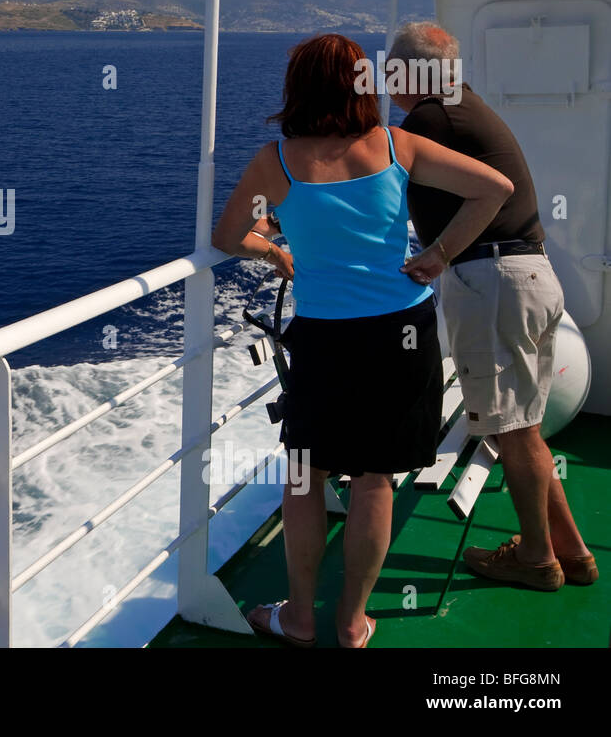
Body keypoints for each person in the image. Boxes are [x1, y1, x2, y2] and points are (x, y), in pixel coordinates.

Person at [212, 33, 512, 648]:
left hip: (325, 339)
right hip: (402, 330)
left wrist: (276, 249)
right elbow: (494, 189)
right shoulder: (398, 145)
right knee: (375, 477)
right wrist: (438, 254)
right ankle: (352, 623)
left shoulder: (278, 161)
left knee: (304, 474)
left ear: (297, 88)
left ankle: (298, 617)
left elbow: (227, 236)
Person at [392, 21, 596, 591]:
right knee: (523, 427)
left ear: (413, 71)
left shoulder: (431, 117)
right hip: (524, 274)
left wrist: (438, 253)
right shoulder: (461, 108)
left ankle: (535, 558)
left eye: (391, 67)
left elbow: (385, 180)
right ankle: (572, 553)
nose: (385, 78)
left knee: (514, 431)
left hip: (493, 281)